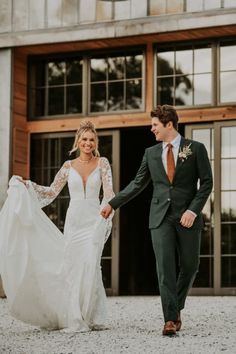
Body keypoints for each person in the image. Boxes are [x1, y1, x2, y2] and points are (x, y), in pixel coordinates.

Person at [101, 105, 213, 336]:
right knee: (165, 269)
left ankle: (175, 305)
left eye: (154, 125)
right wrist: (113, 203)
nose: (151, 129)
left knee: (191, 266)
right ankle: (170, 319)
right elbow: (137, 183)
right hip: (160, 217)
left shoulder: (196, 148)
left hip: (187, 216)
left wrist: (193, 211)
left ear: (168, 124)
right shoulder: (150, 153)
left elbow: (207, 183)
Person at [0, 121, 114, 332]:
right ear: (78, 141)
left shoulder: (103, 163)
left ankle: (91, 315)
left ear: (95, 142)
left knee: (91, 262)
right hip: (74, 221)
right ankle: (74, 317)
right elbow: (51, 192)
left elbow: (109, 193)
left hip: (94, 218)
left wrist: (107, 212)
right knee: (72, 266)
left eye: (91, 139)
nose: (87, 143)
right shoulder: (67, 166)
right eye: (84, 139)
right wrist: (28, 185)